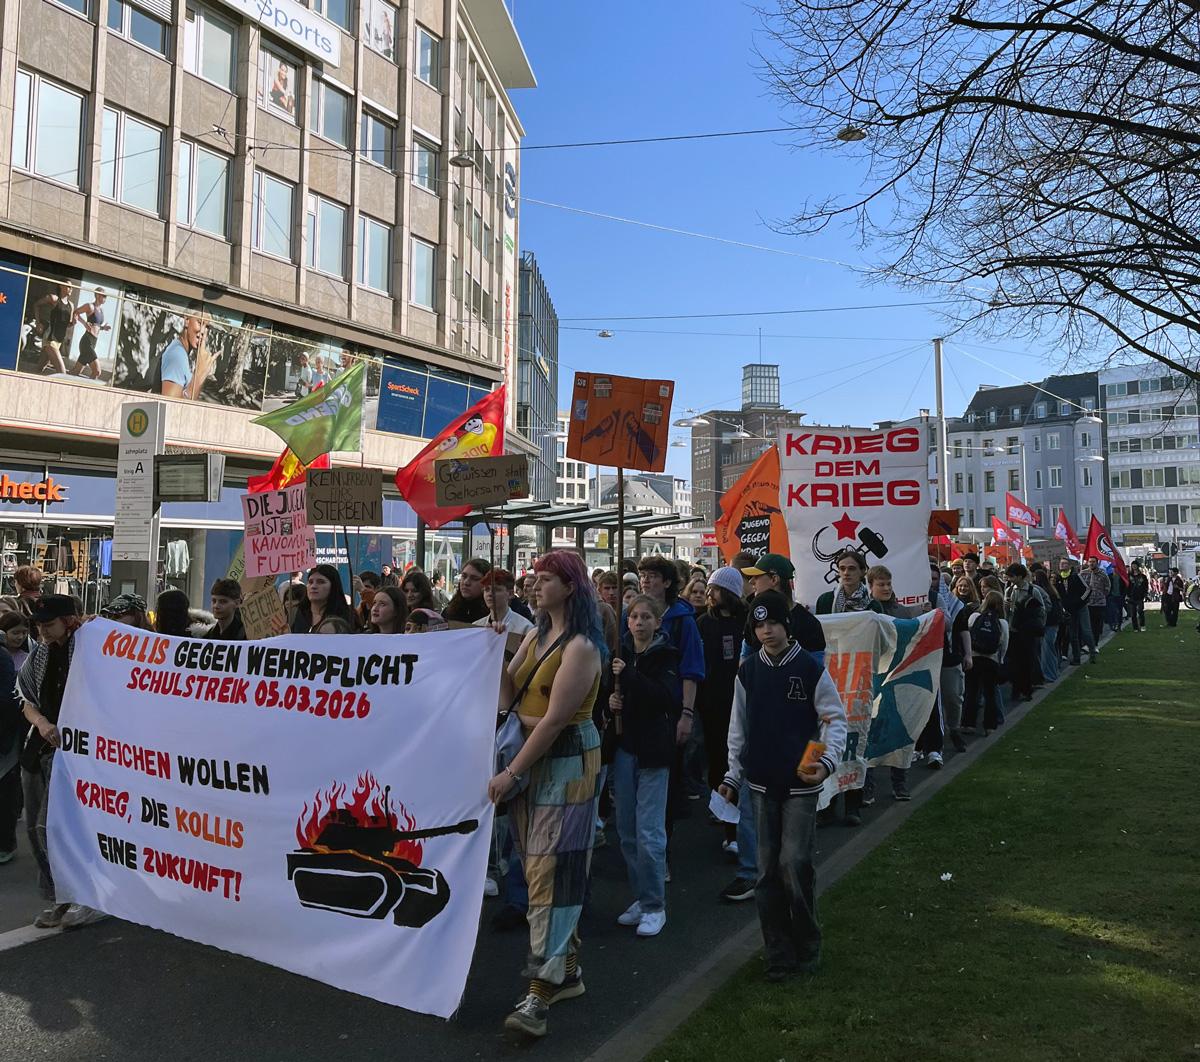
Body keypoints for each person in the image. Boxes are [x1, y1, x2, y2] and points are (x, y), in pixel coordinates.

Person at [486, 551, 605, 1039]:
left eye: (546, 579)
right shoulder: (537, 635)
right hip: (532, 761)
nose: (535, 586)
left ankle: (542, 988)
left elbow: (556, 720)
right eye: (534, 578)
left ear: (570, 586)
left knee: (548, 872)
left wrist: (511, 771)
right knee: (542, 868)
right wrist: (493, 652)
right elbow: (507, 696)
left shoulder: (581, 646)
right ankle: (568, 969)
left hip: (565, 760)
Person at [718, 591, 848, 982]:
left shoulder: (809, 669)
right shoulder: (748, 671)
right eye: (758, 625)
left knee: (795, 863)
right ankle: (777, 951)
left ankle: (807, 944)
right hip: (760, 781)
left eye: (772, 622)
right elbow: (737, 726)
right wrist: (731, 775)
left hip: (800, 786)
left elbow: (833, 718)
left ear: (787, 626)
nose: (766, 631)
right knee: (766, 871)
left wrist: (821, 763)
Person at [17, 595, 105, 929]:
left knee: (49, 827)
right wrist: (41, 723)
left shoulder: (90, 651)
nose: (43, 630)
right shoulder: (40, 652)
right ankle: (59, 897)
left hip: (77, 753)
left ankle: (81, 896)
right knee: (34, 829)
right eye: (39, 624)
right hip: (38, 749)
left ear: (70, 621)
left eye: (49, 624)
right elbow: (25, 698)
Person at [608, 594, 681, 939]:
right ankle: (641, 895)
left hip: (653, 751)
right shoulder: (619, 653)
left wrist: (631, 677)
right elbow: (610, 693)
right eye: (633, 616)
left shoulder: (665, 656)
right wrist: (612, 699)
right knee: (626, 830)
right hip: (625, 749)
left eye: (645, 617)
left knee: (649, 831)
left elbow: (665, 698)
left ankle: (655, 905)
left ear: (657, 622)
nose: (638, 622)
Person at [696, 567, 749, 876]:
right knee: (719, 762)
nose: (710, 594)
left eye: (716, 589)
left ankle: (742, 825)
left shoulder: (747, 621)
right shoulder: (703, 623)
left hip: (742, 702)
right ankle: (728, 827)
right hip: (714, 705)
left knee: (742, 761)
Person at [741, 555, 827, 657]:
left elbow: (816, 668)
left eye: (757, 576)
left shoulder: (809, 624)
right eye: (760, 626)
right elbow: (744, 658)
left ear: (774, 579)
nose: (751, 581)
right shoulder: (755, 614)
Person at [962, 591, 1009, 735]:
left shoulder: (975, 617)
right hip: (992, 660)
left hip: (975, 658)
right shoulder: (1002, 623)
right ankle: (990, 726)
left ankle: (969, 724)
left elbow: (967, 636)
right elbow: (1004, 645)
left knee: (971, 692)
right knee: (990, 694)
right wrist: (1000, 660)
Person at [1003, 564, 1046, 702]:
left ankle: (1027, 690)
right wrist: (1007, 607)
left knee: (1027, 662)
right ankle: (1016, 689)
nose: (1009, 579)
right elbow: (1006, 614)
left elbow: (1042, 610)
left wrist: (1036, 625)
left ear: (1020, 576)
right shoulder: (1009, 590)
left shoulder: (1033, 590)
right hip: (1013, 630)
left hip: (1027, 632)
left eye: (1012, 576)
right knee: (1014, 662)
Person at [153, 308, 216, 400]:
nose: (203, 332)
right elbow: (171, 407)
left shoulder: (181, 350)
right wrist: (199, 376)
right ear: (187, 321)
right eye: (200, 323)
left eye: (207, 327)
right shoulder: (177, 355)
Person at [947, 576, 979, 752]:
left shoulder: (955, 605)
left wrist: (968, 654)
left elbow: (963, 630)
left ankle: (954, 728)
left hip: (950, 657)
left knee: (953, 696)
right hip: (926, 658)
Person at [0, 632, 21, 865]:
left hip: (4, 736)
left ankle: (5, 843)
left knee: (4, 792)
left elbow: (7, 697)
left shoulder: (2, 656)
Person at [814, 552, 882, 616]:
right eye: (842, 568)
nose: (846, 573)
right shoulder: (825, 600)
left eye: (852, 568)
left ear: (862, 571)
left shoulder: (873, 605)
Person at [1055, 559, 1097, 663]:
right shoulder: (1058, 579)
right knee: (1073, 635)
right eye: (1061, 563)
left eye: (1065, 563)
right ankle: (1076, 658)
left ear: (1069, 566)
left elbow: (1088, 589)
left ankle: (1092, 652)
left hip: (1081, 607)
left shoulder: (1076, 576)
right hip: (1070, 610)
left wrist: (1080, 601)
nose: (1062, 565)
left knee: (1086, 631)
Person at [291, 564, 354, 633]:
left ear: (333, 586)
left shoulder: (347, 615)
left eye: (321, 582)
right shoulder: (298, 613)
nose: (313, 586)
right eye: (310, 582)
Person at [476, 569, 535, 637]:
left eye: (496, 589)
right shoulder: (476, 626)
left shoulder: (525, 628)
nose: (490, 594)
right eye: (486, 589)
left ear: (510, 594)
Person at [70, 288, 111, 379]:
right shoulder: (90, 306)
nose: (105, 298)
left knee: (75, 372)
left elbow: (96, 326)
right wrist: (84, 323)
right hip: (87, 342)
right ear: (97, 295)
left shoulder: (101, 310)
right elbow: (76, 312)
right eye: (104, 296)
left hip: (94, 342)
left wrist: (103, 328)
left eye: (106, 296)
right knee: (97, 372)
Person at [1032, 570, 1063, 683]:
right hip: (1053, 623)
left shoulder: (1041, 591)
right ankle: (1052, 672)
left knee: (1047, 650)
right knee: (1050, 649)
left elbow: (1047, 608)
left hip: (1048, 623)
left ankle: (1050, 675)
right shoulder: (1051, 590)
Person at [442, 558, 491, 624]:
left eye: (474, 579)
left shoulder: (493, 615)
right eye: (464, 576)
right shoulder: (449, 612)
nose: (466, 582)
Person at [1080, 557, 1111, 645]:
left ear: (1097, 563)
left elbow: (1107, 587)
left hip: (1099, 603)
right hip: (1087, 603)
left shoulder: (1103, 574)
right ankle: (1086, 643)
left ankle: (1095, 643)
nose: (1091, 563)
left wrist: (1101, 595)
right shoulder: (1083, 573)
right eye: (1090, 561)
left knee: (1096, 625)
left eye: (1093, 562)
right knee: (1087, 625)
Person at [1126, 562, 1149, 632]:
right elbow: (1127, 586)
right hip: (1131, 596)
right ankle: (1135, 627)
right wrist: (1127, 594)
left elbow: (1145, 586)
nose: (1134, 567)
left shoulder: (1143, 576)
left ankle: (1142, 625)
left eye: (1135, 565)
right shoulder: (1129, 576)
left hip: (1140, 597)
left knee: (1140, 611)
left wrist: (1145, 594)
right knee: (1133, 613)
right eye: (1132, 566)